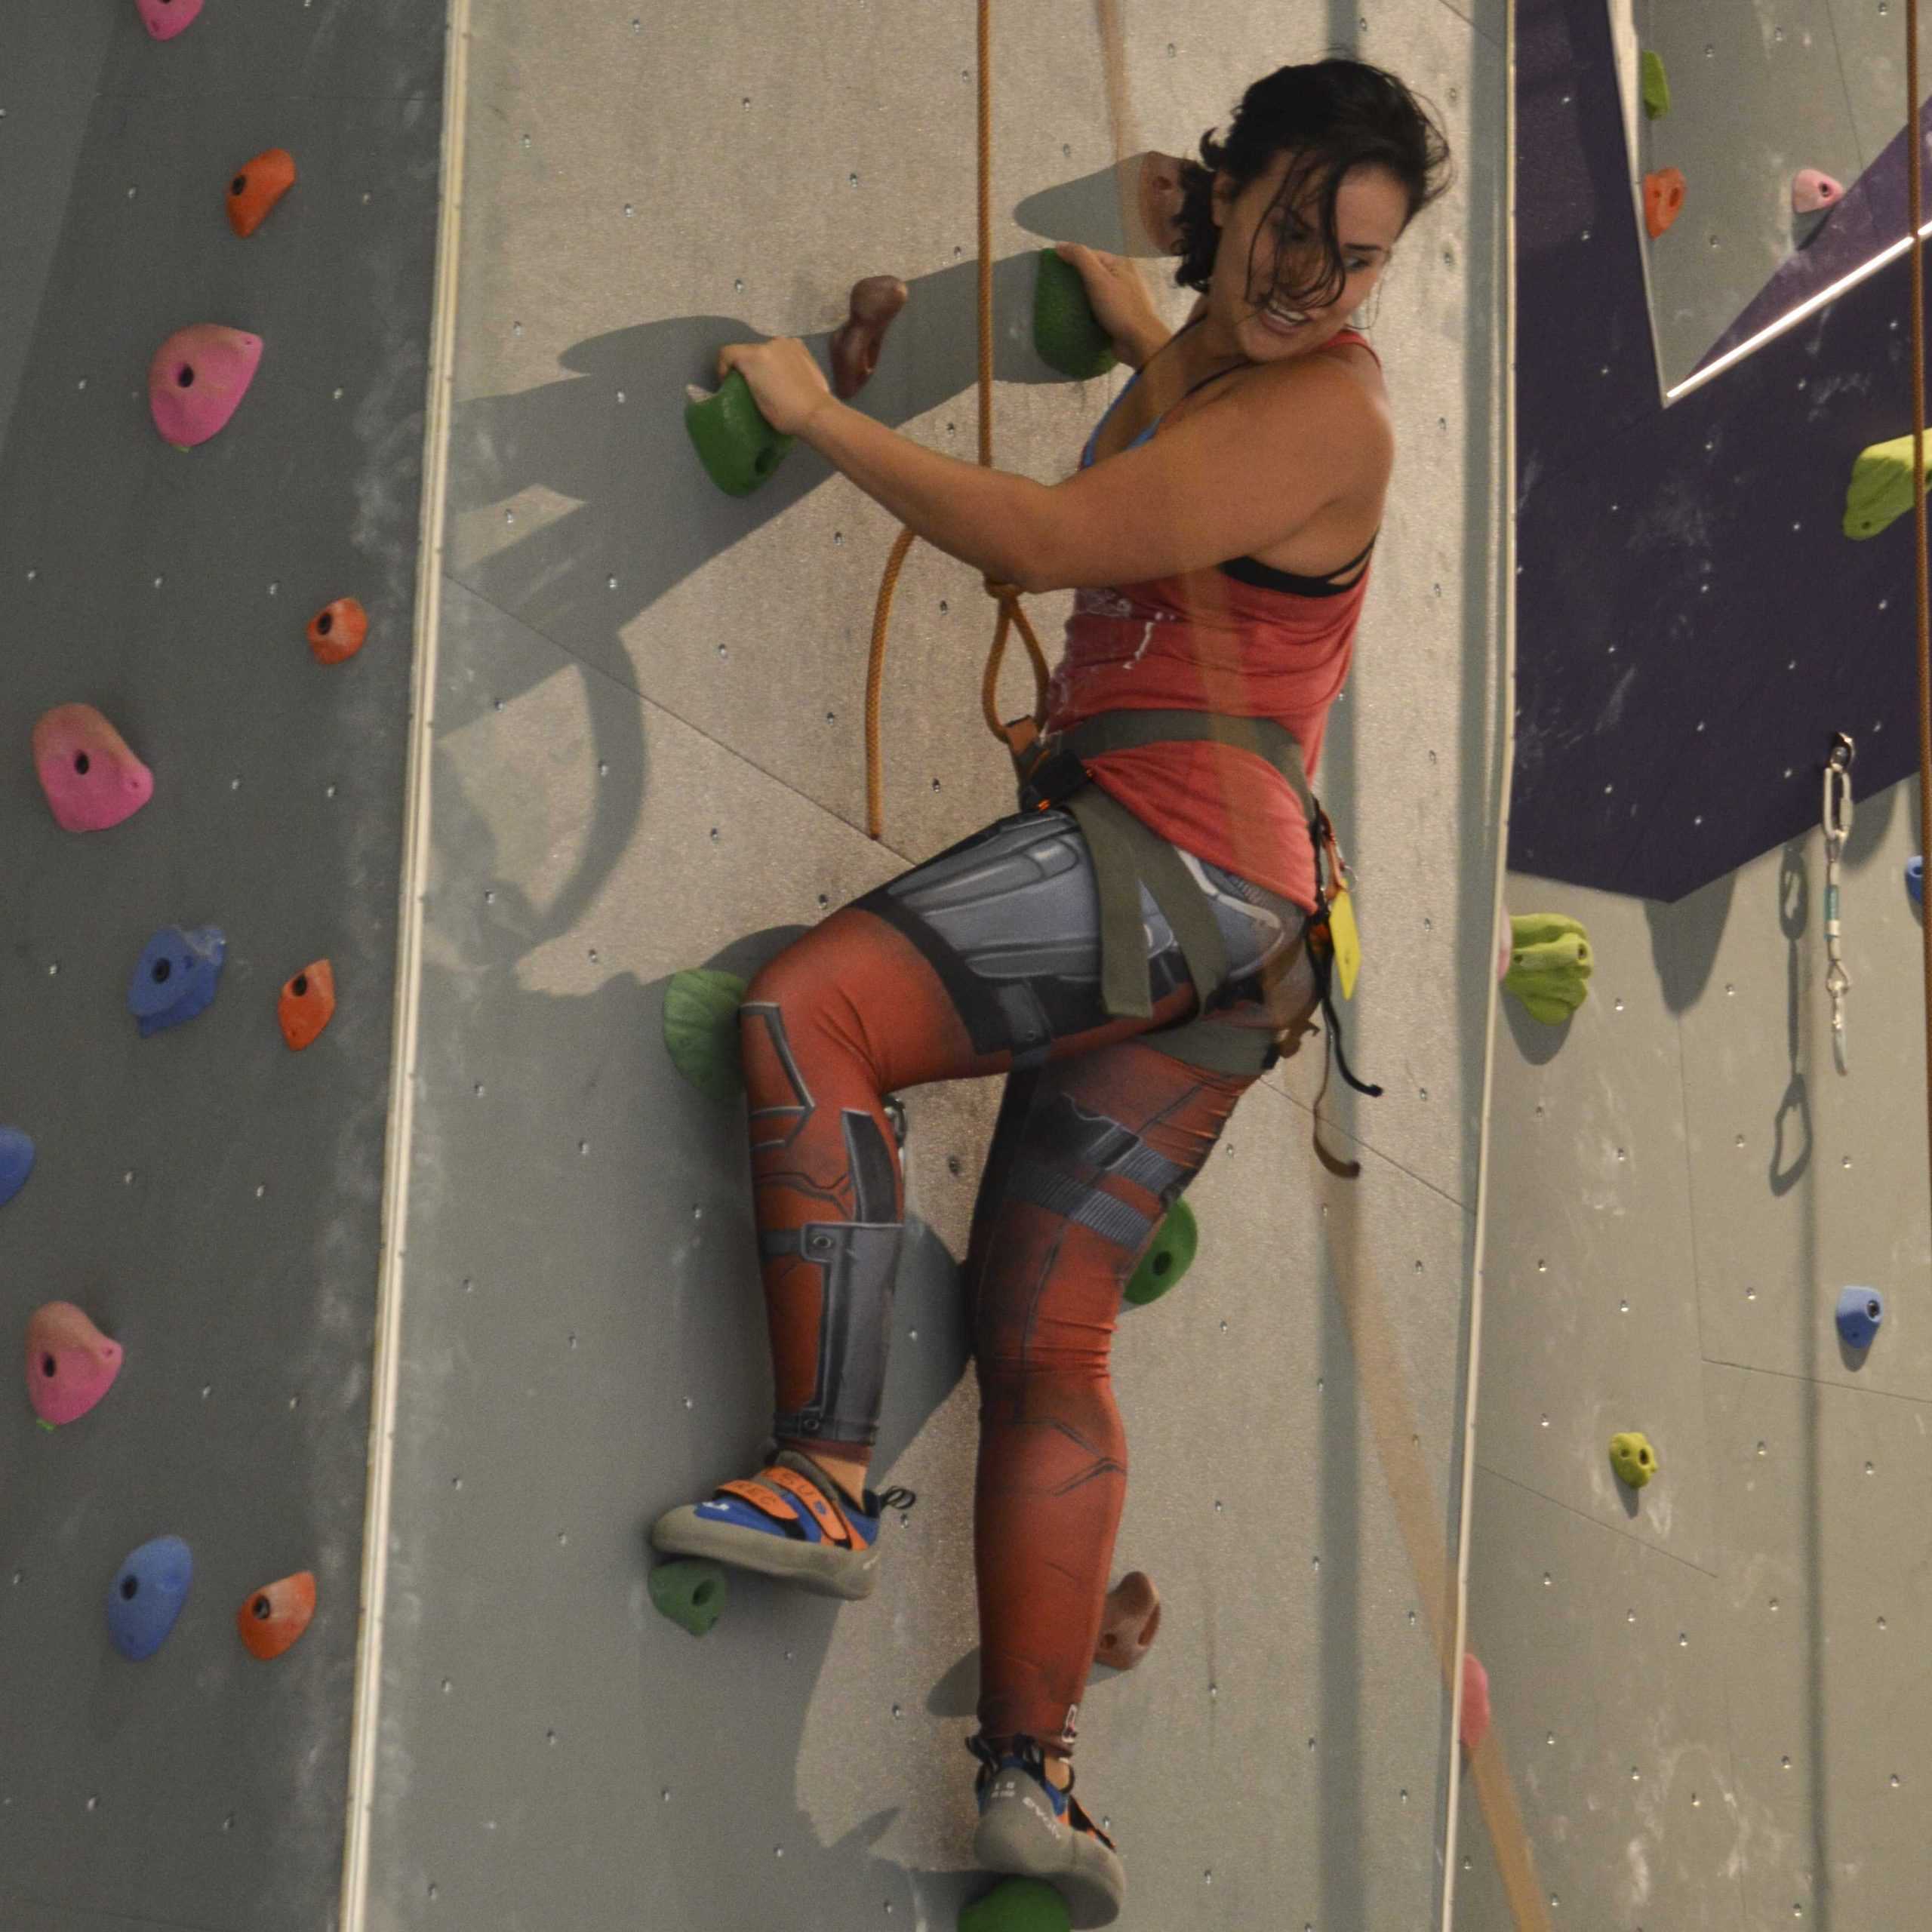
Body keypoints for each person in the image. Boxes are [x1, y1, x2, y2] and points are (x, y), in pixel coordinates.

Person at [651, 54, 1451, 1929]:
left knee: (811, 1018)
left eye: (1357, 261)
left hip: (1164, 871)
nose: (1317, 285)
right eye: (1286, 228)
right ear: (1214, 195)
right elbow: (1187, 390)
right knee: (1046, 1335)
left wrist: (812, 413)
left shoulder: (1332, 418)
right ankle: (1032, 1780)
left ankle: (821, 1472)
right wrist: (1141, 313)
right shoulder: (1237, 372)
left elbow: (1041, 541)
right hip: (1234, 942)